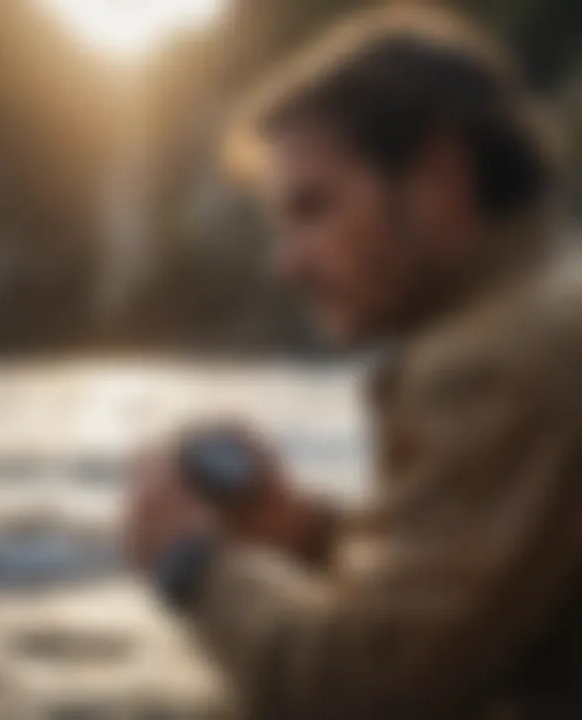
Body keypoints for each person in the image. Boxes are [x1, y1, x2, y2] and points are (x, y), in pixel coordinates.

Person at [126, 6, 582, 718]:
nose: (285, 265)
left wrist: (191, 565)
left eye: (313, 208)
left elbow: (360, 693)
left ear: (440, 176)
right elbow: (504, 606)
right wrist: (306, 534)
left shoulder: (502, 362)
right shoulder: (551, 310)